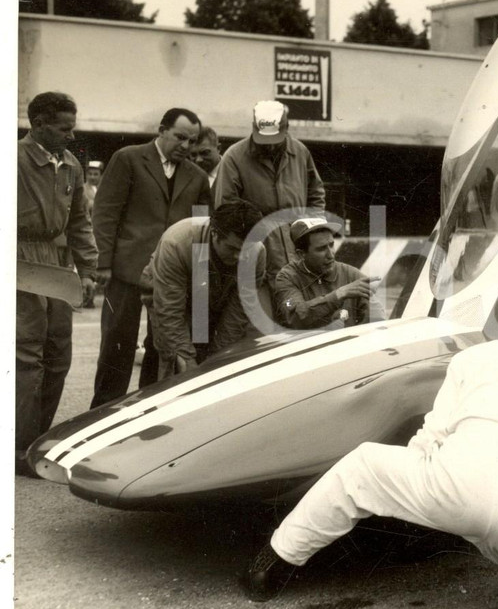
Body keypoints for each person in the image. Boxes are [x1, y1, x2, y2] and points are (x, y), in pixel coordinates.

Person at [243, 319, 498, 609]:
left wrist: (410, 496)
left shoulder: (483, 354)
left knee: (360, 468)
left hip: (453, 480)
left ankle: (271, 565)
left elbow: (435, 431)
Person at [91, 108, 212, 407]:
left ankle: (148, 410)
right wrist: (103, 263)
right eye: (180, 137)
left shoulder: (197, 177)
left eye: (192, 141)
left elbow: (201, 227)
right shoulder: (128, 159)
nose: (186, 146)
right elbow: (105, 213)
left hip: (171, 275)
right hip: (126, 271)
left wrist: (199, 276)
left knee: (161, 347)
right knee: (117, 345)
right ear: (161, 130)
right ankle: (104, 412)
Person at [16, 92, 98, 475]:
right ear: (38, 125)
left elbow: (80, 222)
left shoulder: (71, 166)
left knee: (58, 355)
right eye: (64, 128)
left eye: (73, 127)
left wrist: (89, 271)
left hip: (58, 264)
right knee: (26, 356)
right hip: (19, 260)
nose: (71, 135)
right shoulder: (14, 158)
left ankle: (37, 440)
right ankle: (18, 447)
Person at [140, 199, 266, 380]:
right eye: (232, 248)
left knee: (215, 361)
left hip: (216, 298)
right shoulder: (177, 243)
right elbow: (170, 311)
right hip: (169, 296)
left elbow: (238, 312)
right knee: (168, 356)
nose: (240, 256)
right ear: (215, 233)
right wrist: (186, 360)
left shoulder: (257, 252)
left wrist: (216, 360)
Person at [214, 100, 326, 285]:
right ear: (254, 128)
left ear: (287, 128)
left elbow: (316, 194)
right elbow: (226, 212)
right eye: (264, 141)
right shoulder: (233, 158)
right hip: (258, 259)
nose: (270, 147)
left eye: (275, 140)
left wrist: (311, 233)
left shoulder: (300, 152)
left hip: (298, 255)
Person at [273, 217, 385, 330]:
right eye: (321, 249)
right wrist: (338, 295)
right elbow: (293, 317)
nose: (331, 255)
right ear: (301, 254)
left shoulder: (352, 274)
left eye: (331, 245)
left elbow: (378, 321)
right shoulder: (286, 278)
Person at [81, 161, 103, 308]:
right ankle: (85, 297)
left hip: (100, 232)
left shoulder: (104, 188)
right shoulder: (82, 189)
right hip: (87, 231)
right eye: (90, 173)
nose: (93, 177)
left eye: (96, 174)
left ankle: (92, 296)